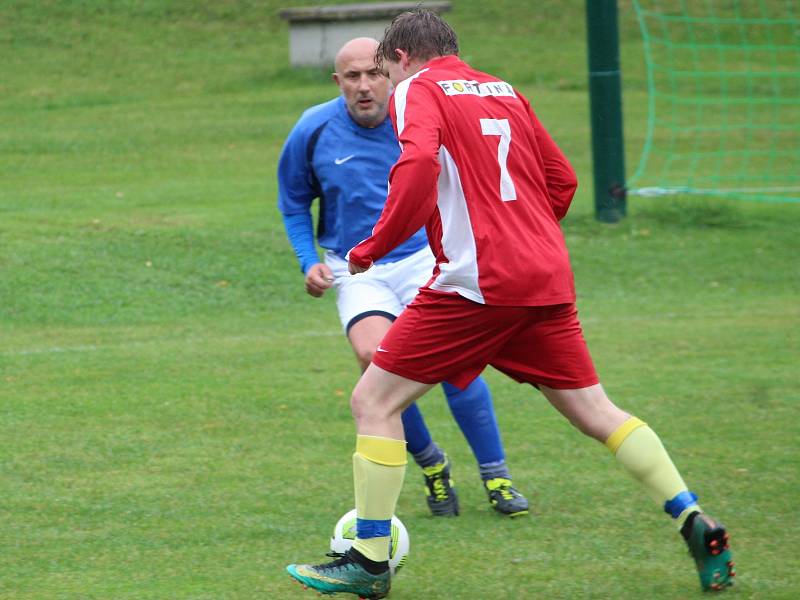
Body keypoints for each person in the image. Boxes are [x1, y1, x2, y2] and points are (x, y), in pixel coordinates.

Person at [286, 10, 735, 599]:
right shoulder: (503, 89)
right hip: (545, 278)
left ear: (399, 59)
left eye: (385, 71)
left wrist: (373, 247)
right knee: (597, 412)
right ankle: (691, 518)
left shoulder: (418, 88)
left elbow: (417, 163)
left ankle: (368, 559)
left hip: (477, 283)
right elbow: (563, 178)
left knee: (372, 399)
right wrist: (529, 237)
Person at [277, 37, 529, 519]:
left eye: (374, 73)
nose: (365, 86)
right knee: (377, 359)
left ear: (392, 73)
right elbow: (293, 202)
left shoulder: (418, 120)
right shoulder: (312, 129)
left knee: (457, 362)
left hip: (425, 258)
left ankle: (496, 474)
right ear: (338, 82)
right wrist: (309, 259)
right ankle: (432, 465)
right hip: (356, 268)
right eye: (353, 77)